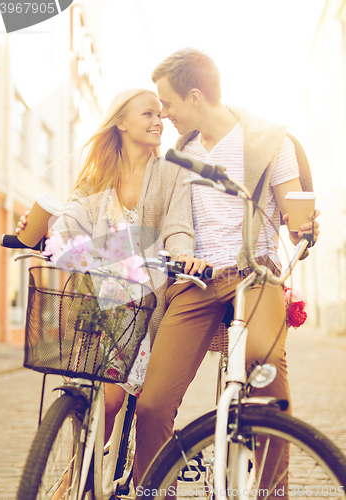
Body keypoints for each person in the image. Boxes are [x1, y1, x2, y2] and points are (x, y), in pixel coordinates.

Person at [133, 48, 320, 496]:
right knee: (152, 404)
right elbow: (166, 219)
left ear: (195, 97)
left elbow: (295, 216)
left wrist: (304, 228)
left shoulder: (271, 142)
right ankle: (156, 490)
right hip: (196, 283)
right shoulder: (182, 155)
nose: (165, 116)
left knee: (266, 367)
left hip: (253, 274)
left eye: (169, 105)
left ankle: (272, 491)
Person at [16, 88, 205, 499]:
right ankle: (79, 475)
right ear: (120, 122)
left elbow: (178, 223)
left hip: (145, 304)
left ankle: (75, 482)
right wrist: (47, 233)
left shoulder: (172, 171)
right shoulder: (97, 174)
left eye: (160, 114)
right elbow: (70, 217)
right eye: (148, 113)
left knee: (113, 399)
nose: (158, 121)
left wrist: (182, 251)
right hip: (96, 301)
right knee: (91, 397)